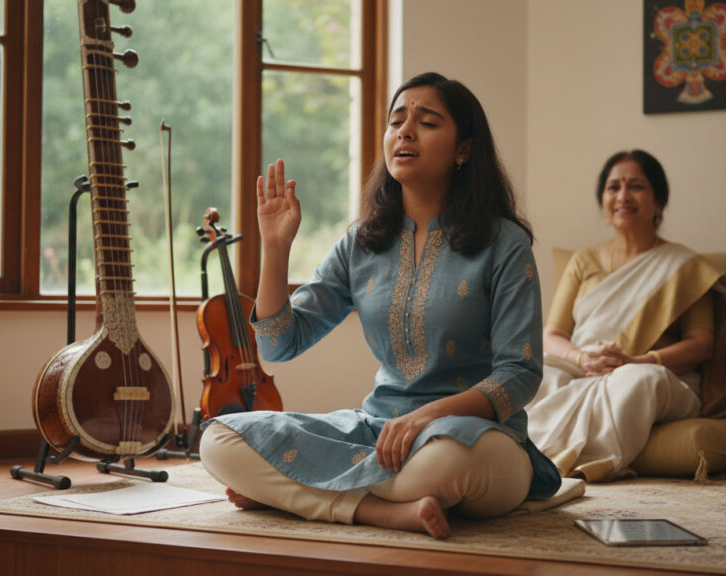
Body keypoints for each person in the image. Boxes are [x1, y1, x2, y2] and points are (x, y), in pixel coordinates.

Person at [200, 72, 560, 540]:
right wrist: (275, 249)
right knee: (219, 439)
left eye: (427, 122)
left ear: (463, 150)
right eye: (396, 121)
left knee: (443, 465)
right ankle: (384, 511)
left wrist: (425, 417)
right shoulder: (363, 243)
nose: (404, 131)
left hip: (475, 441)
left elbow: (520, 373)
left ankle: (298, 492)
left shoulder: (503, 243)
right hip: (379, 432)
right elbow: (277, 345)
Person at [526, 150, 726, 482]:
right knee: (536, 374)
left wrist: (636, 361)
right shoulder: (583, 261)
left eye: (635, 186)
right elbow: (552, 333)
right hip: (585, 367)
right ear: (603, 200)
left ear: (659, 202)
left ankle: (584, 464)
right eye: (613, 187)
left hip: (656, 373)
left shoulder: (685, 268)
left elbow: (701, 345)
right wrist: (583, 358)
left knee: (637, 383)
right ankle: (526, 457)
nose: (622, 195)